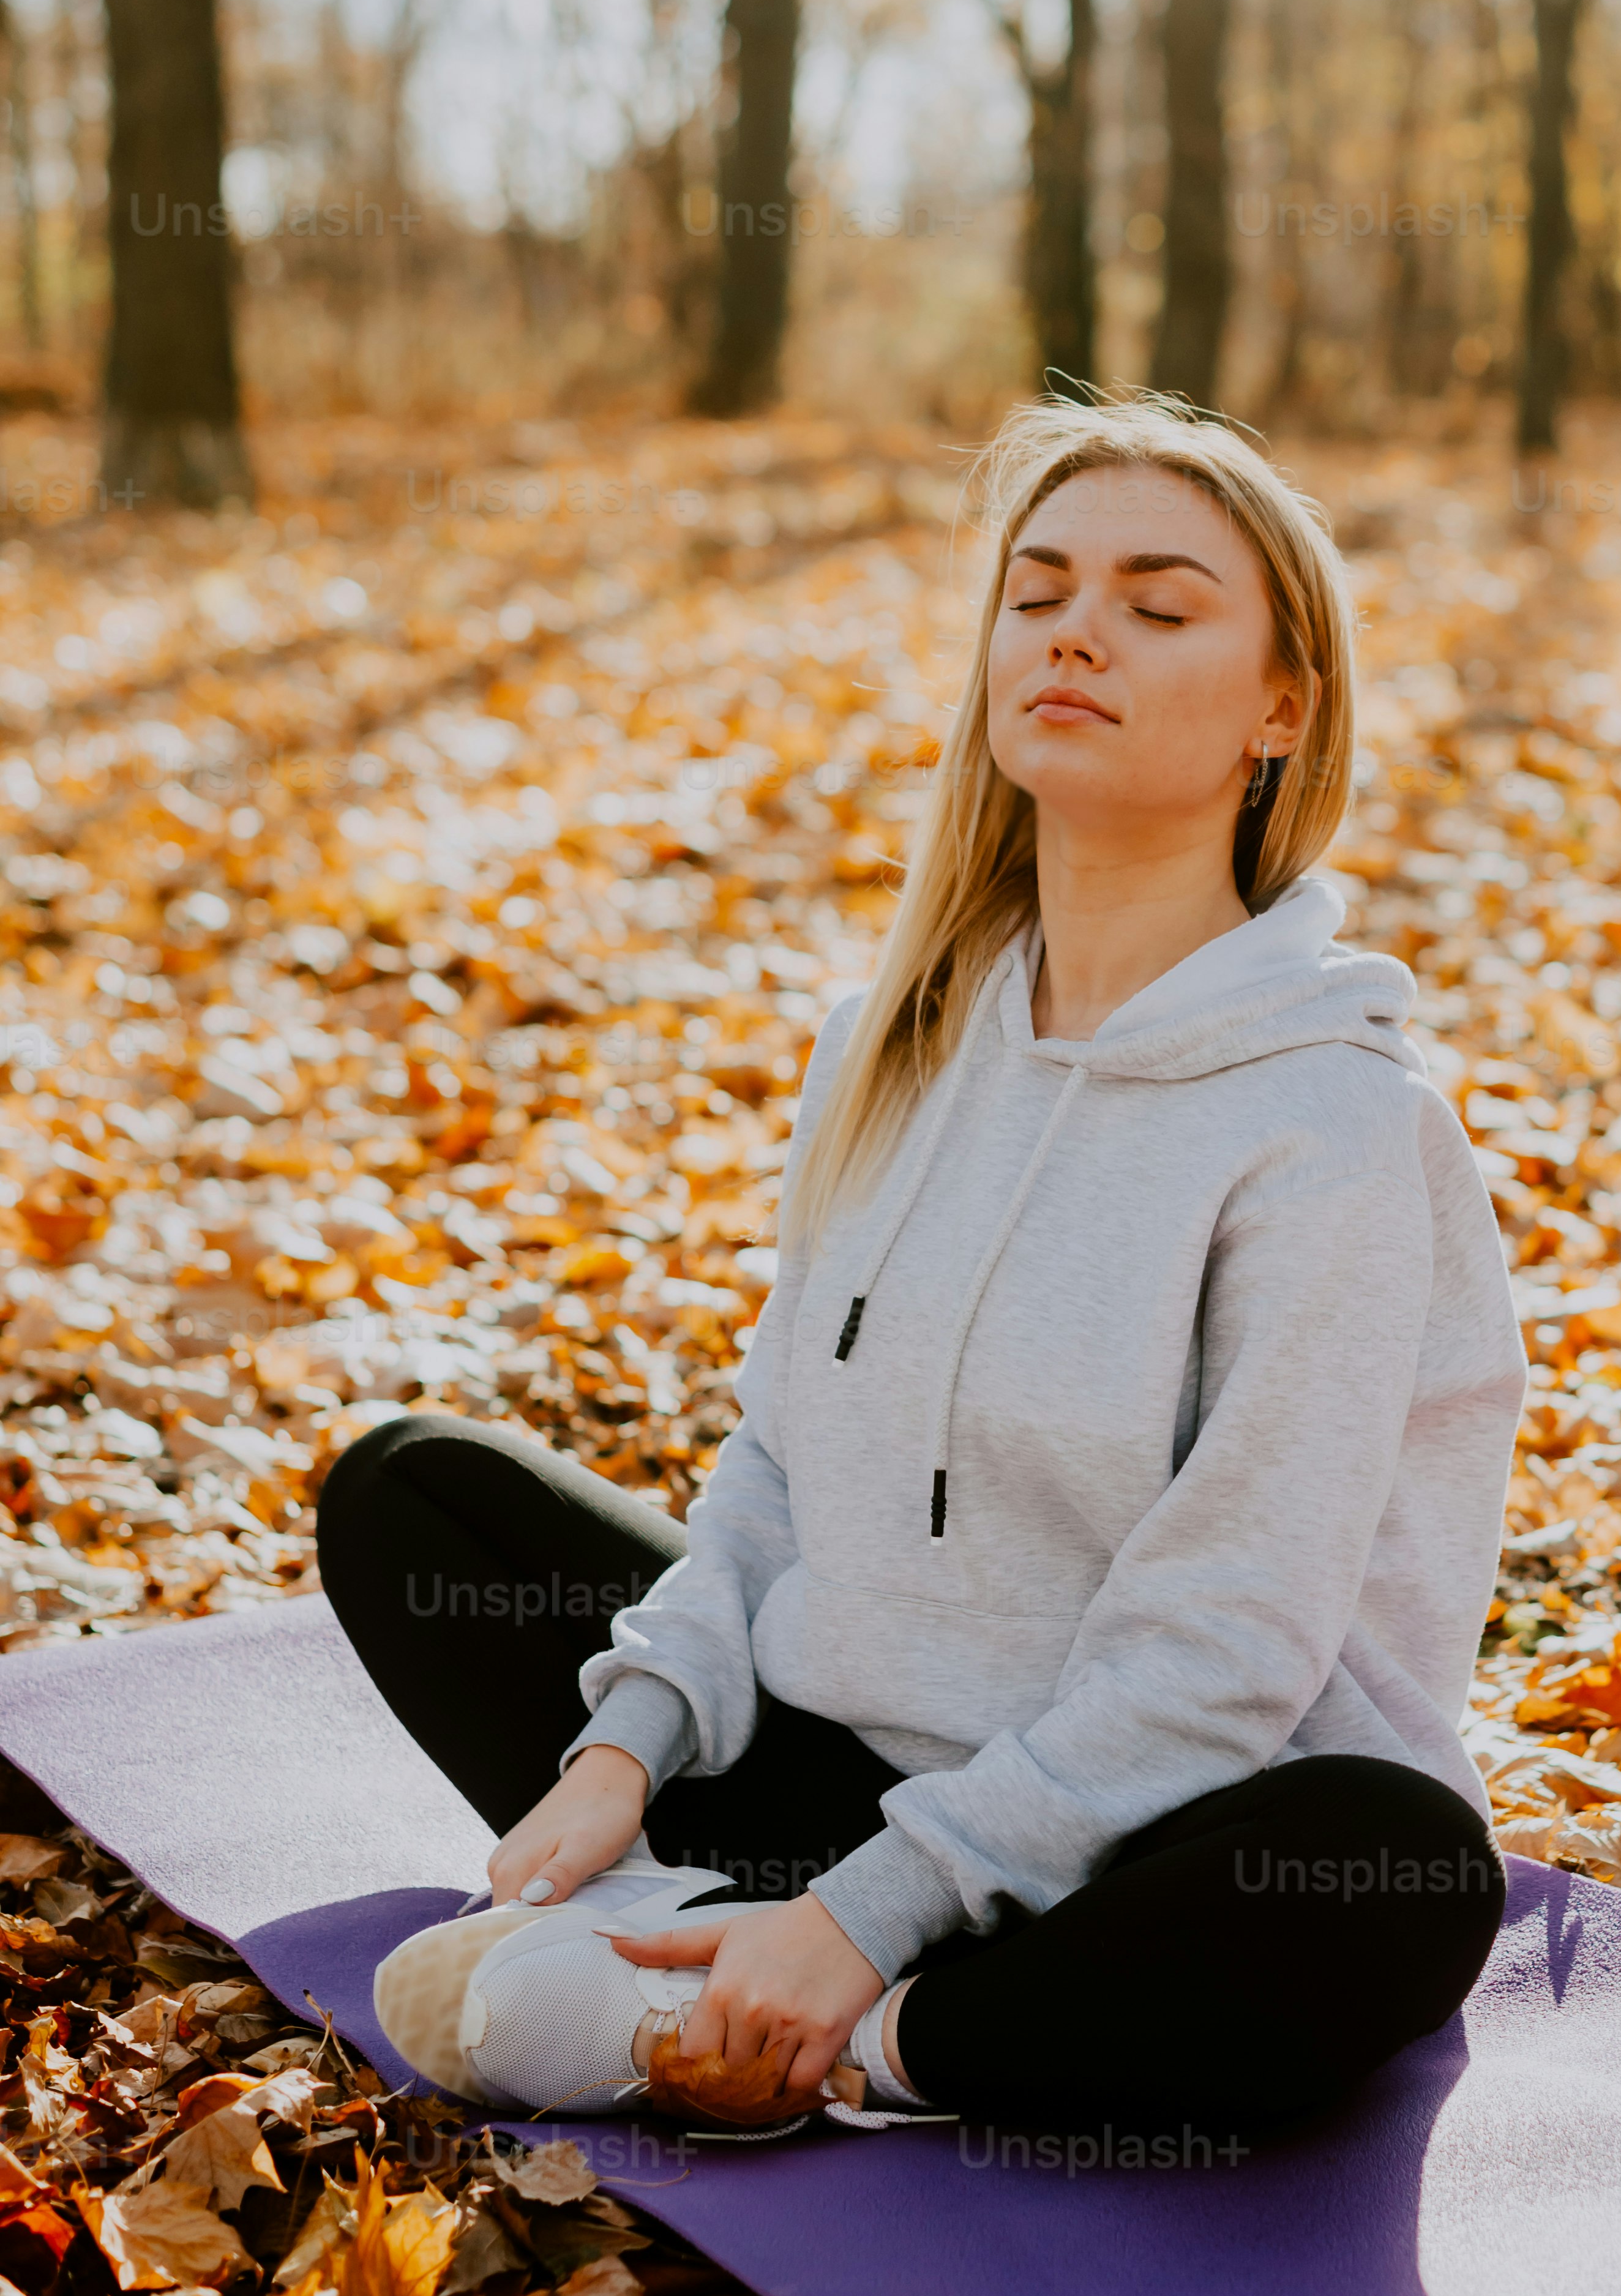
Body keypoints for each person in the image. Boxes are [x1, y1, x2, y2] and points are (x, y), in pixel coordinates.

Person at [326, 393, 1525, 2144]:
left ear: (1284, 707)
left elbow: (1223, 1651)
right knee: (413, 1497)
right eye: (1036, 593)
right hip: (835, 1778)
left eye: (1158, 603)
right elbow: (781, 1465)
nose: (1076, 631)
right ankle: (703, 1916)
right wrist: (624, 1751)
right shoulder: (886, 1043)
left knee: (1393, 1867)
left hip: (1141, 1839)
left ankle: (873, 2038)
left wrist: (864, 1930)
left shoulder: (1334, 1130)